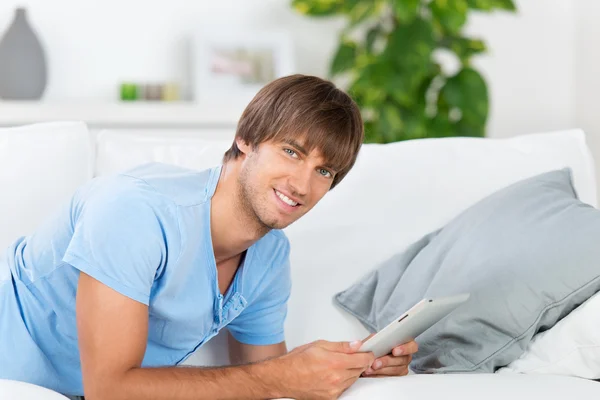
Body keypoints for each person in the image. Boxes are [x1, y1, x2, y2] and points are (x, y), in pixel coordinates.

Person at [0, 74, 418, 399]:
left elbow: (267, 377)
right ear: (246, 139)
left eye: (324, 171)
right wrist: (279, 377)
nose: (302, 184)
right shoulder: (134, 211)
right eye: (291, 151)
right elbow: (109, 391)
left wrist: (348, 368)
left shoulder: (269, 256)